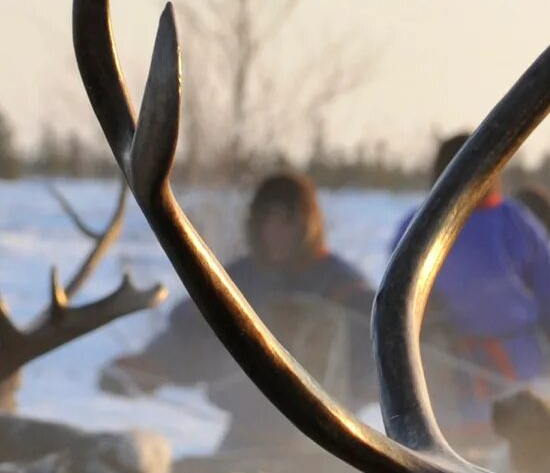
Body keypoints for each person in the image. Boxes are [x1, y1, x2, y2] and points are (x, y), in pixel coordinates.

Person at [101, 171, 369, 445]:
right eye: (267, 220)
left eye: (285, 220)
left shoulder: (341, 287)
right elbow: (192, 330)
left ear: (306, 224)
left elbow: (376, 358)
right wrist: (149, 366)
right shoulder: (239, 280)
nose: (274, 231)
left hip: (325, 443)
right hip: (246, 436)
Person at [401, 134, 550, 429]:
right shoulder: (420, 225)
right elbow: (399, 293)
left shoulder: (515, 221)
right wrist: (425, 324)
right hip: (445, 364)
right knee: (451, 451)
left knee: (523, 441)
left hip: (518, 360)